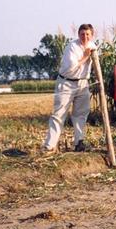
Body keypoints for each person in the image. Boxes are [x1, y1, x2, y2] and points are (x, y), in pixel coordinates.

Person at [41, 24, 97, 154]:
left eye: (87, 34)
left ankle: (79, 142)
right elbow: (71, 68)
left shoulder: (93, 46)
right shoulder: (72, 47)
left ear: (92, 35)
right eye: (82, 34)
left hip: (83, 84)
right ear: (78, 35)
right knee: (59, 114)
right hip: (67, 83)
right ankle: (49, 146)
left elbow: (95, 64)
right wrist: (85, 56)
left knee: (81, 114)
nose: (85, 37)